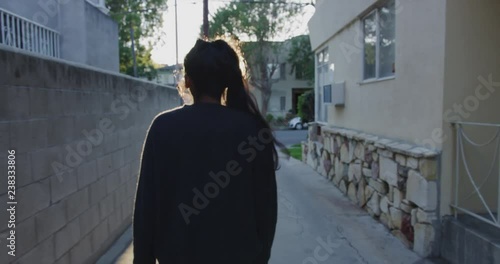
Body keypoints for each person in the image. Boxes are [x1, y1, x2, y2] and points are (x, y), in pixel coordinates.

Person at [133, 39, 281, 264]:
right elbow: (266, 210)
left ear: (188, 81)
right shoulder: (252, 130)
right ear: (226, 83)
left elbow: (146, 209)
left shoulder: (163, 127)